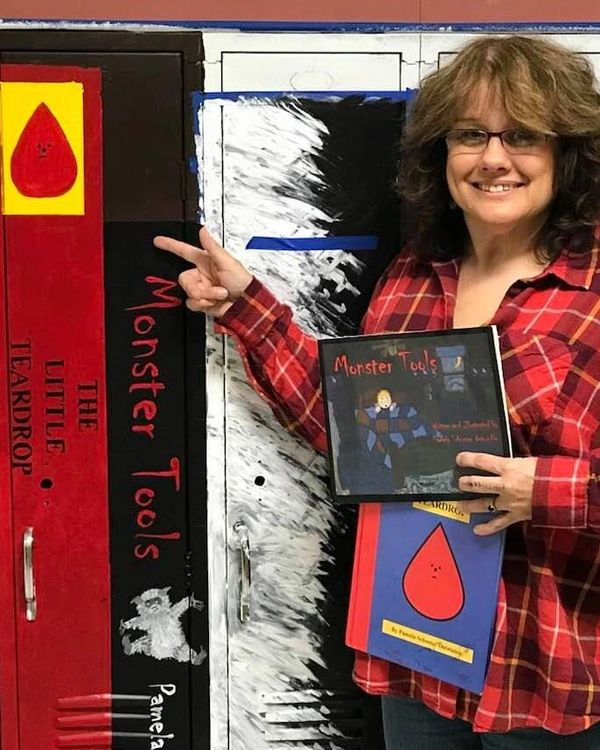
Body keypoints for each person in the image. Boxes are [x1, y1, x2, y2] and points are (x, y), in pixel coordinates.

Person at [154, 35, 600, 749]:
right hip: (418, 658)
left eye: (523, 136)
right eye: (470, 135)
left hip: (546, 678)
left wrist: (546, 489)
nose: (493, 158)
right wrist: (247, 308)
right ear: (442, 157)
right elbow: (357, 437)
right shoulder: (415, 277)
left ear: (566, 155)